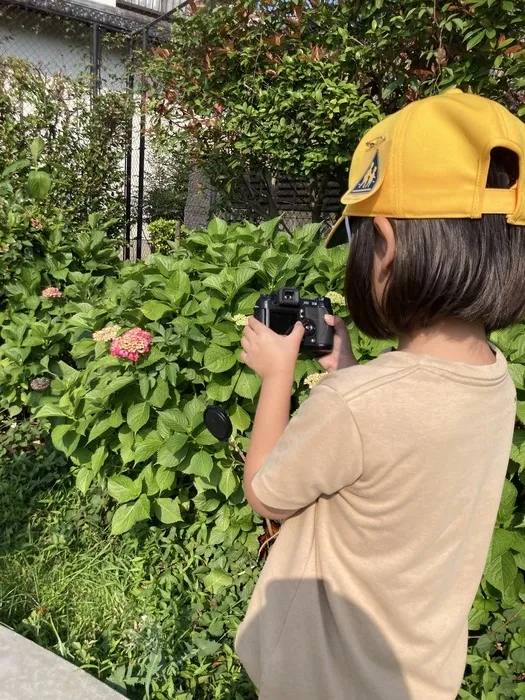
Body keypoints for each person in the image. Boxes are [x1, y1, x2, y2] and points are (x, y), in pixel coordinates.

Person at [234, 89, 525, 700]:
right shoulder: (497, 381)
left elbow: (265, 495)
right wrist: (349, 370)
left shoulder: (356, 404)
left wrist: (277, 377)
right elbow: (400, 439)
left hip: (323, 682)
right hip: (415, 677)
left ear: (385, 245)